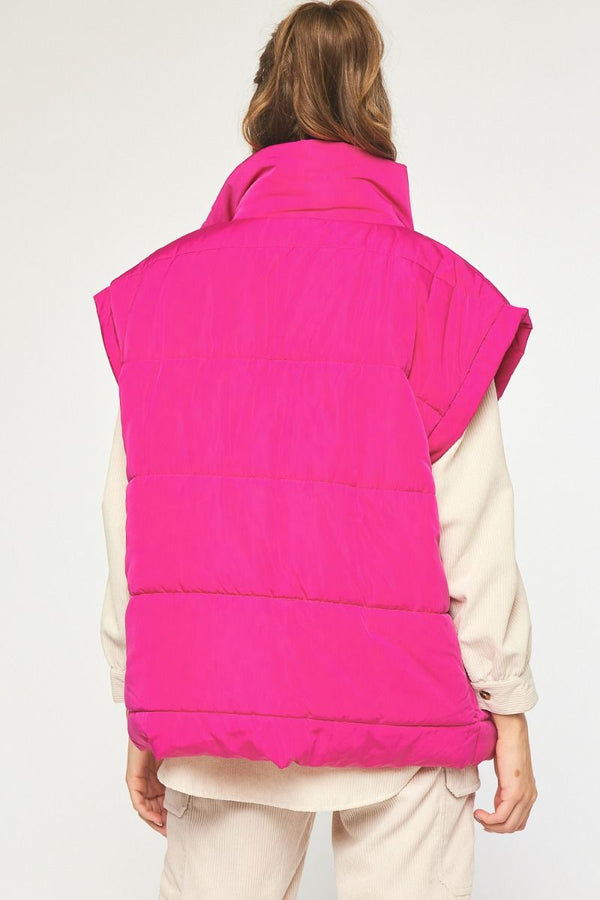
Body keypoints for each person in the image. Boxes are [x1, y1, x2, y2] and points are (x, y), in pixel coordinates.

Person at [94, 2, 539, 897]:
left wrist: (143, 700)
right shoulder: (431, 290)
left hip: (217, 695)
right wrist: (510, 705)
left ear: (262, 105)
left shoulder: (162, 294)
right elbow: (474, 521)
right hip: (402, 707)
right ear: (373, 105)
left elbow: (131, 515)